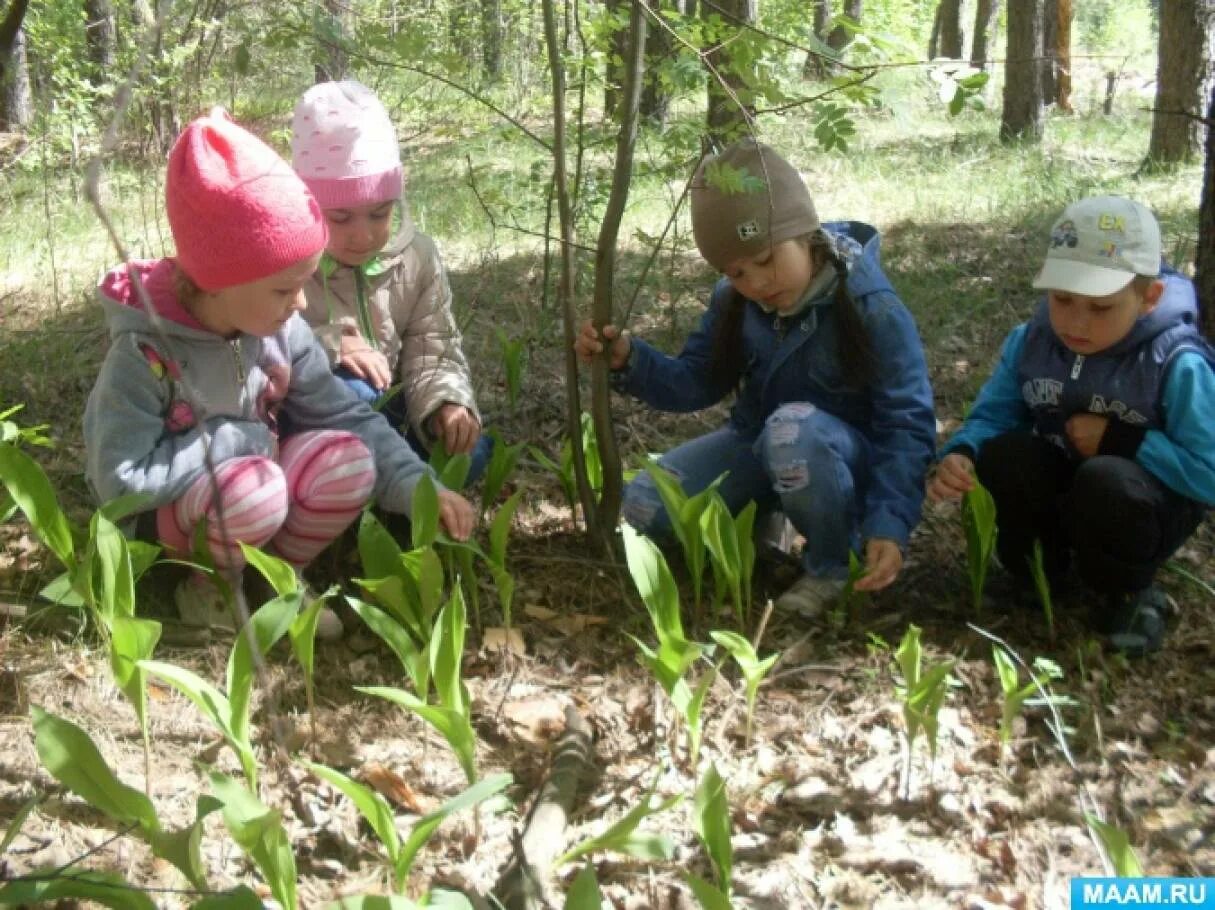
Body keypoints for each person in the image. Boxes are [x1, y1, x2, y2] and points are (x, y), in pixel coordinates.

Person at [83, 110, 475, 635]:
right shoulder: (144, 356)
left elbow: (349, 417)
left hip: (247, 496)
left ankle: (276, 583)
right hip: (169, 522)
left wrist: (421, 486)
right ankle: (210, 593)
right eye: (283, 289)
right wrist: (233, 439)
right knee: (254, 486)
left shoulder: (279, 332)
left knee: (346, 460)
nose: (298, 304)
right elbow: (120, 480)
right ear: (218, 280)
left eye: (304, 285)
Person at [575, 139, 936, 617]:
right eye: (739, 271)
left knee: (792, 431)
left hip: (846, 465)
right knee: (644, 504)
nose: (759, 283)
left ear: (804, 232)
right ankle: (760, 529)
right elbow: (695, 381)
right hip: (759, 446)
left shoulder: (872, 306)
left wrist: (889, 523)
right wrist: (628, 359)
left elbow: (907, 421)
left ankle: (832, 565)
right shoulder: (736, 301)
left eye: (767, 260)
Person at [928, 196, 1215, 655]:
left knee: (1107, 479)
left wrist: (1123, 440)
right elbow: (995, 415)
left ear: (1149, 298)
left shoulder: (1176, 363)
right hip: (1064, 493)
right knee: (1006, 454)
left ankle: (1129, 592)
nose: (1076, 322)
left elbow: (1209, 471)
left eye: (1101, 308)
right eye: (1062, 300)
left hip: (1139, 507)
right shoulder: (1031, 342)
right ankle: (1039, 571)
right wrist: (964, 451)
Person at [290, 80, 489, 483]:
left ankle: (403, 509)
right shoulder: (290, 263)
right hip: (322, 413)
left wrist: (444, 406)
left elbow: (433, 347)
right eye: (340, 218)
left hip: (400, 407)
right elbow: (261, 344)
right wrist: (330, 342)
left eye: (379, 214)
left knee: (471, 452)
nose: (362, 235)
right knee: (356, 391)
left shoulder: (417, 257)